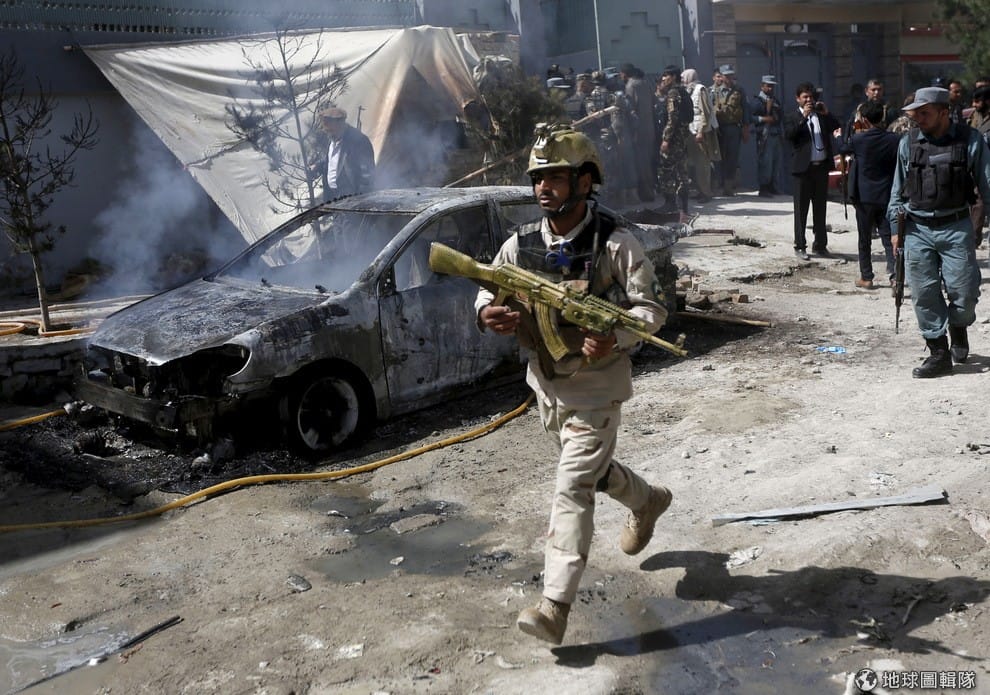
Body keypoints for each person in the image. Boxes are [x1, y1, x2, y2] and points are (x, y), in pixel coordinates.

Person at [473, 124, 672, 645]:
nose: (544, 188)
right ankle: (647, 500)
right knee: (593, 474)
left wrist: (615, 337)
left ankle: (554, 606)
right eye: (539, 179)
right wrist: (487, 313)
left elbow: (652, 309)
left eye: (556, 178)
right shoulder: (521, 244)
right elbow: (489, 286)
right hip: (545, 386)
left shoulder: (615, 243)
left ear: (585, 182)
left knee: (572, 488)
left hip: (597, 387)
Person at [887, 87, 990, 378]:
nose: (918, 119)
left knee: (965, 292)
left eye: (925, 113)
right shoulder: (908, 143)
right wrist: (895, 230)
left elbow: (987, 184)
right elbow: (897, 191)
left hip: (956, 226)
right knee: (924, 292)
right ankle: (939, 353)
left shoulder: (971, 140)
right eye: (915, 113)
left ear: (944, 112)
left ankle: (958, 326)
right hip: (917, 228)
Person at [838, 100, 900, 289]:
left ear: (864, 119)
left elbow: (843, 149)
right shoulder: (893, 139)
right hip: (886, 195)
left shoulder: (859, 140)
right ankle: (895, 276)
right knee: (889, 238)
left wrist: (838, 137)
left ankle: (867, 277)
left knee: (864, 239)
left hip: (864, 197)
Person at [784, 82, 841, 259]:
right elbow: (790, 135)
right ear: (798, 99)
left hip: (820, 169)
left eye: (811, 97)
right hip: (802, 170)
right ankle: (800, 245)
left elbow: (836, 126)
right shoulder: (792, 116)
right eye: (805, 97)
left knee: (820, 208)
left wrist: (826, 113)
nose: (809, 100)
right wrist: (804, 117)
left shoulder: (820, 115)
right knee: (801, 210)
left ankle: (820, 245)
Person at [314, 107, 375, 201]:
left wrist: (362, 200)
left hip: (352, 199)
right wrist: (318, 165)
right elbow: (333, 160)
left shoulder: (358, 141)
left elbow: (367, 174)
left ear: (340, 123)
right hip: (333, 197)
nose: (327, 132)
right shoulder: (333, 138)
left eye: (330, 129)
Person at [655, 66, 691, 213]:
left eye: (666, 75)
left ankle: (670, 204)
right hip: (682, 137)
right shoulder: (683, 91)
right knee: (682, 171)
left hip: (674, 138)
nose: (664, 79)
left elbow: (672, 118)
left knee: (666, 171)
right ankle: (683, 206)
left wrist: (666, 139)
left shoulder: (673, 93)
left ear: (674, 77)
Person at [619, 63, 658, 202]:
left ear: (625, 74)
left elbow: (631, 111)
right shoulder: (646, 83)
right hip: (650, 129)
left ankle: (646, 194)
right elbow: (654, 103)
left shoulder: (630, 86)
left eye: (621, 74)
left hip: (638, 131)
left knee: (641, 164)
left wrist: (633, 131)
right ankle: (651, 190)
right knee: (648, 162)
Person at [682, 67, 720, 203]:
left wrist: (700, 131)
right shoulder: (689, 90)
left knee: (703, 164)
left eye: (684, 78)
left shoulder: (700, 89)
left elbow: (706, 112)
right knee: (694, 164)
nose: (682, 80)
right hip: (691, 131)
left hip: (700, 133)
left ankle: (706, 193)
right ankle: (700, 190)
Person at [712, 64, 749, 196]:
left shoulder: (739, 90)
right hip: (719, 128)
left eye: (730, 75)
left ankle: (728, 187)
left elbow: (745, 109)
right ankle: (719, 184)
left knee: (732, 157)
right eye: (726, 76)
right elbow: (709, 109)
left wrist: (746, 128)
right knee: (719, 157)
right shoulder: (714, 91)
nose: (728, 78)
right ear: (721, 77)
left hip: (734, 128)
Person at [750, 75, 783, 196]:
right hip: (764, 135)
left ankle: (773, 187)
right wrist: (763, 119)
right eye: (768, 86)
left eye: (772, 86)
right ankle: (763, 188)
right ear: (762, 86)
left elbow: (780, 117)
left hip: (775, 134)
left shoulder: (775, 100)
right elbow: (750, 117)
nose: (770, 88)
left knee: (776, 162)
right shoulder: (757, 101)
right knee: (765, 162)